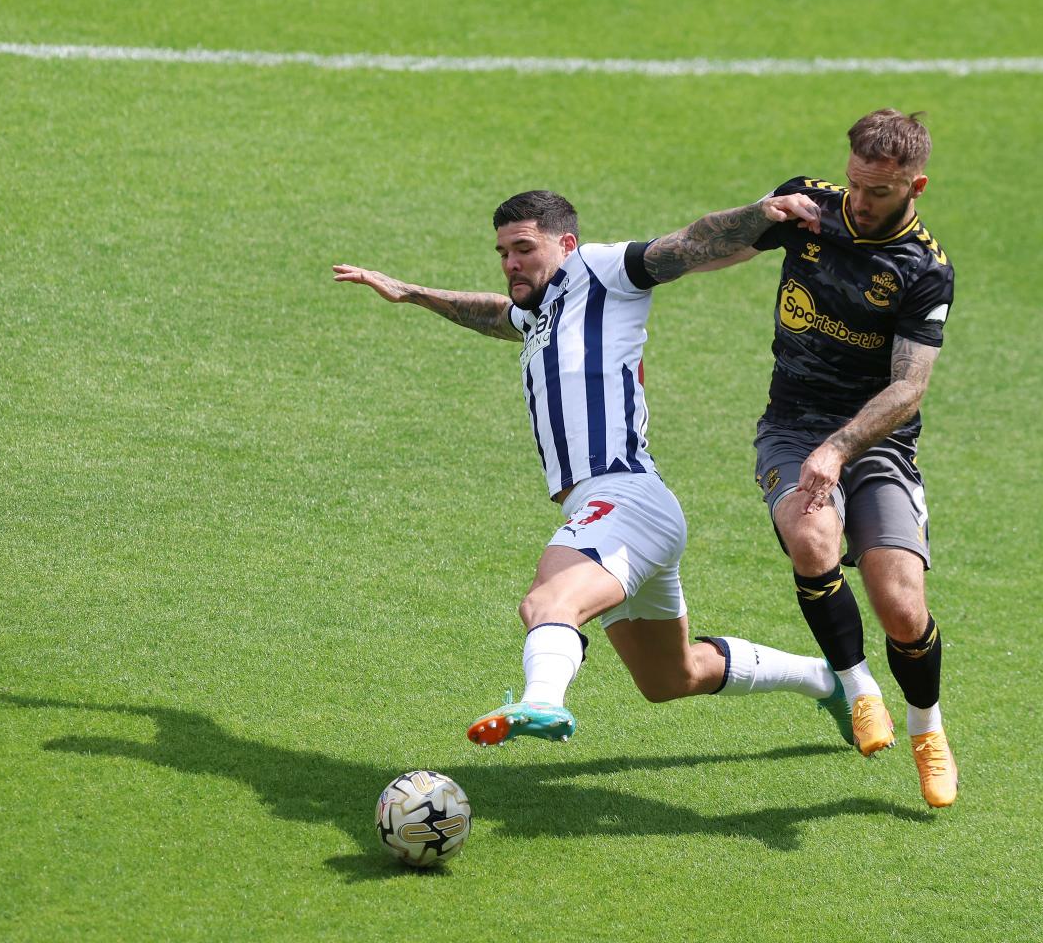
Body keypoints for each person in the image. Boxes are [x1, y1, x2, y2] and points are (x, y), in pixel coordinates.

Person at [331, 189, 847, 749]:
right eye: (502, 252)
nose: (510, 263)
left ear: (566, 244)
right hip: (634, 507)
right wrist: (410, 293)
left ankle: (542, 702)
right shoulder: (539, 311)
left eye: (523, 248)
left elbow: (692, 243)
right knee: (671, 679)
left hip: (623, 498)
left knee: (547, 602)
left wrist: (758, 214)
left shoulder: (601, 270)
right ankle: (827, 681)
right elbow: (491, 314)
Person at [641, 109, 959, 807]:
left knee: (901, 607)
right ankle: (856, 687)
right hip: (791, 423)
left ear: (917, 186)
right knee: (811, 538)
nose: (861, 201)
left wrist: (841, 448)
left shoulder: (924, 270)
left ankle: (927, 730)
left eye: (879, 191)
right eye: (854, 183)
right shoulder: (811, 206)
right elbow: (701, 247)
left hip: (875, 442)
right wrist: (759, 212)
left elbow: (909, 386)